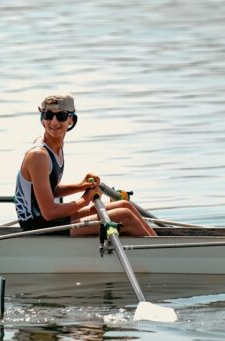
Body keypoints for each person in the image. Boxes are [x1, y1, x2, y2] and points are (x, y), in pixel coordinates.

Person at [14, 93, 156, 237]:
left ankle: (160, 245)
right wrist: (86, 199)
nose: (54, 122)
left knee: (126, 206)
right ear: (42, 119)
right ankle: (163, 253)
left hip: (48, 221)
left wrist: (81, 185)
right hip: (38, 227)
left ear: (71, 120)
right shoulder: (39, 155)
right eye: (48, 115)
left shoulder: (54, 147)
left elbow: (49, 191)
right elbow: (49, 212)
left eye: (61, 116)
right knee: (124, 216)